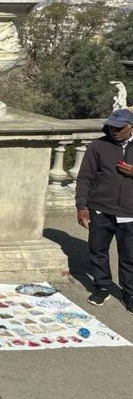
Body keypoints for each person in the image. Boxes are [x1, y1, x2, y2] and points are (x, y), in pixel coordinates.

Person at [75, 108, 133, 310]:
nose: (114, 131)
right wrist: (81, 206)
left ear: (131, 127)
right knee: (98, 251)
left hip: (130, 213)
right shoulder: (98, 146)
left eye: (119, 128)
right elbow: (85, 178)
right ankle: (102, 287)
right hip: (100, 209)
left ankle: (129, 293)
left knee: (129, 255)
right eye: (111, 127)